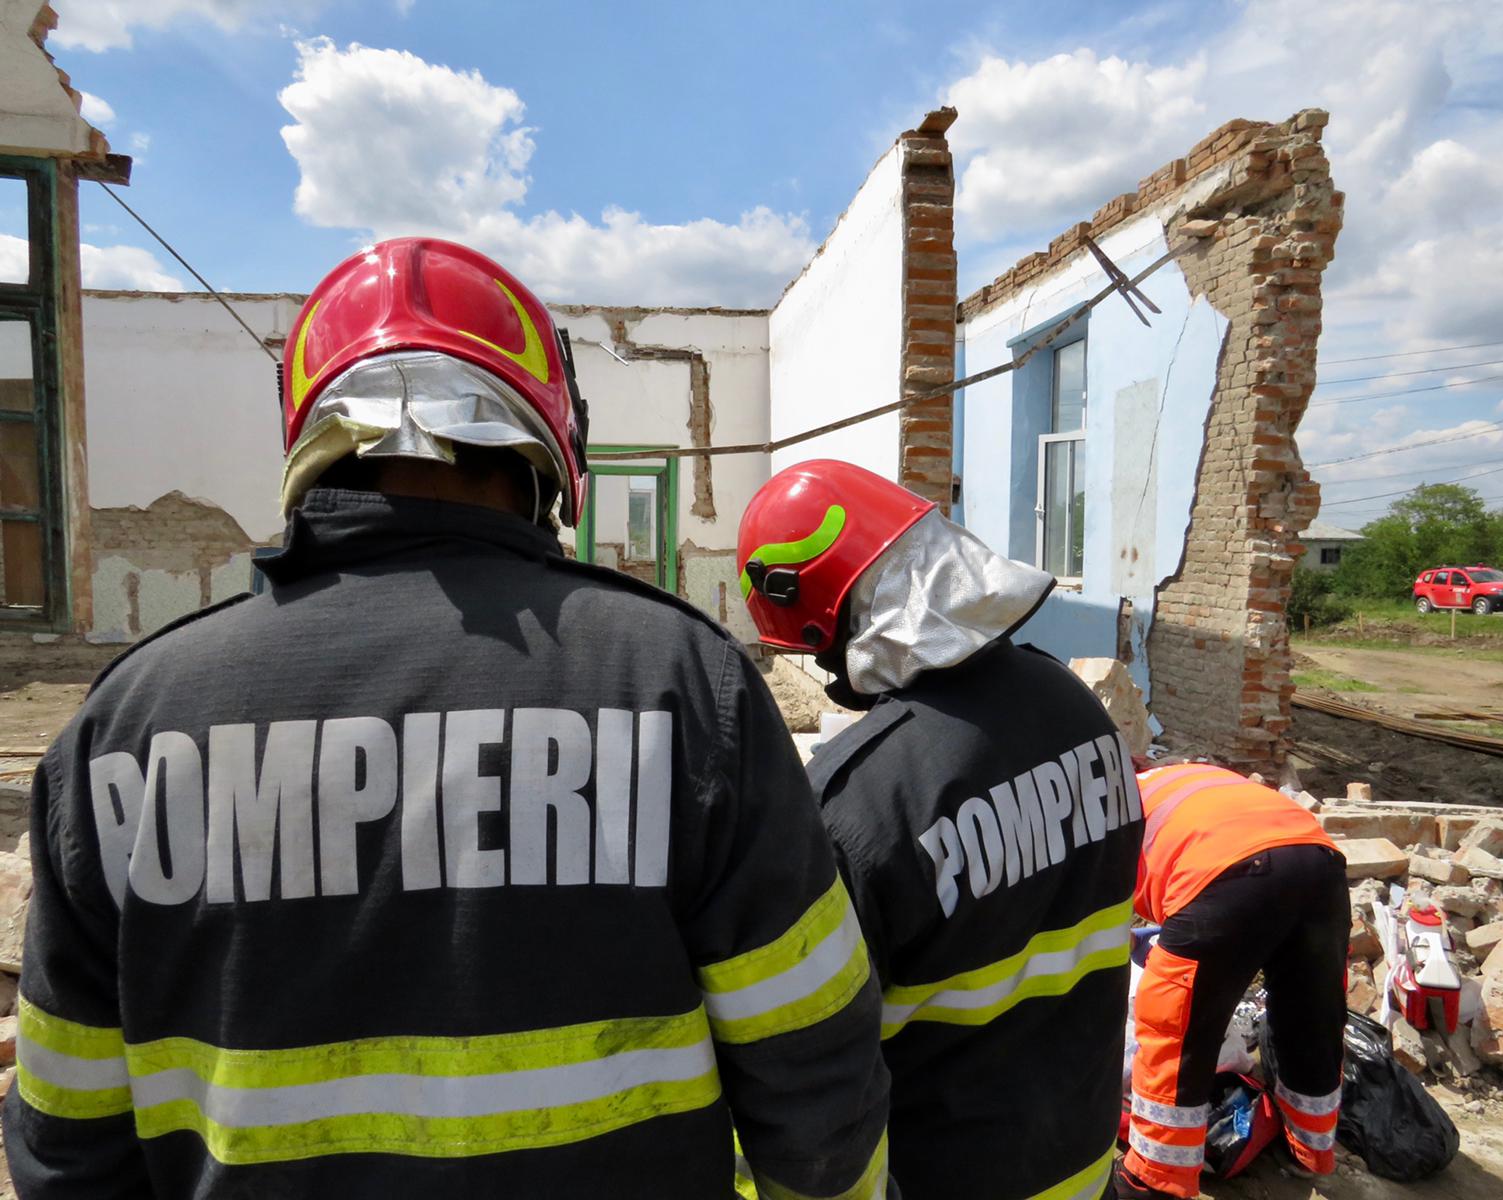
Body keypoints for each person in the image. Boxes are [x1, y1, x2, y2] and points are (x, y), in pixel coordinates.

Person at [2, 239, 893, 1200]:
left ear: (312, 437)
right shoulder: (681, 684)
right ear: (547, 438)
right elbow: (817, 1091)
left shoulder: (124, 728)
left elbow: (68, 1144)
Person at [737, 459, 1143, 1200]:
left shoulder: (858, 805)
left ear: (830, 620)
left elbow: (812, 1069)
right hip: (1085, 1167)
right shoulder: (1078, 707)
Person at [1116, 762, 1348, 1199]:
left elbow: (1103, 922)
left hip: (1226, 875)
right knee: (1311, 1015)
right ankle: (1309, 1151)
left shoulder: (1108, 812)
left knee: (1176, 1032)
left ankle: (1153, 1179)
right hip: (1320, 864)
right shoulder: (1187, 778)